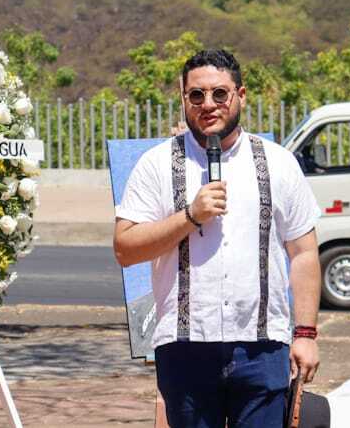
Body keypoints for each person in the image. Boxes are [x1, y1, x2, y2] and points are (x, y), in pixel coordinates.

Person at [114, 49, 322, 427]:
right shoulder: (156, 164)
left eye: (219, 93)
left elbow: (304, 252)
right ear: (183, 99)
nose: (208, 104)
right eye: (196, 95)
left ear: (240, 95)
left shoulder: (278, 161)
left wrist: (306, 334)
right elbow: (126, 248)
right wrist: (190, 216)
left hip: (262, 348)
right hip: (185, 348)